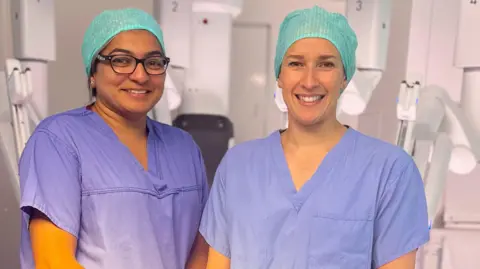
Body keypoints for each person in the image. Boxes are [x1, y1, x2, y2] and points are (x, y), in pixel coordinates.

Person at [199, 5, 430, 269]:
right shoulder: (238, 166)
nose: (309, 81)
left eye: (326, 64)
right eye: (296, 63)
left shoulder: (390, 172)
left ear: (344, 77)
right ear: (280, 75)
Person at [18, 8, 208, 269]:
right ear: (93, 74)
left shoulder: (184, 148)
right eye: (121, 60)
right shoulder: (58, 141)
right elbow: (53, 261)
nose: (140, 75)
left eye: (153, 62)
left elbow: (202, 254)